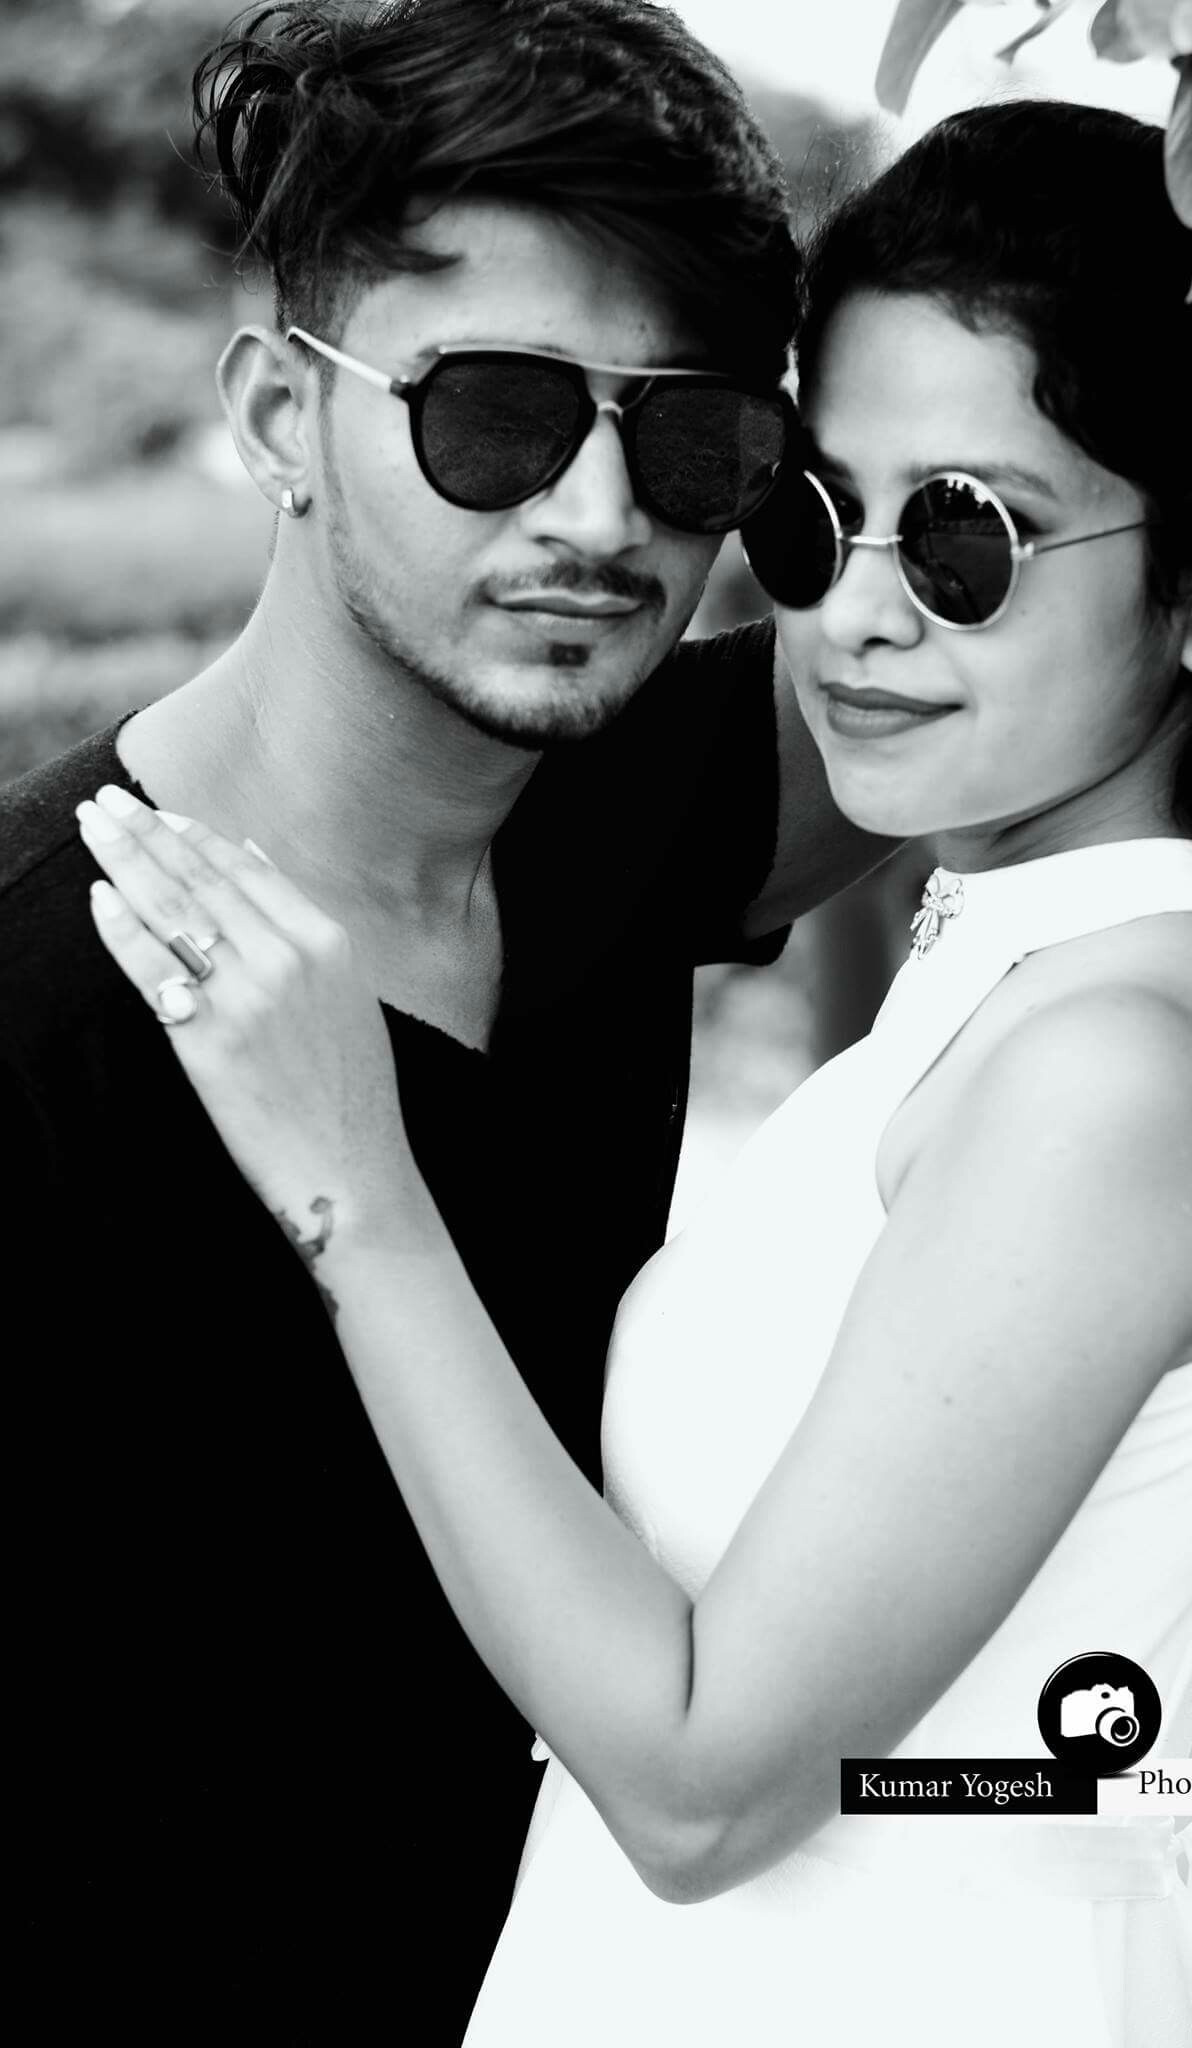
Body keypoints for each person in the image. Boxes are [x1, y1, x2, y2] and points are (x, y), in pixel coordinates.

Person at [76, 96, 1192, 2045]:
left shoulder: (1121, 1071)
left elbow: (705, 1786)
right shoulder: (1017, 962)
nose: (858, 614)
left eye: (969, 536)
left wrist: (356, 1186)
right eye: (810, 516)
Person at [3, 2, 887, 2034]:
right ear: (275, 415)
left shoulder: (621, 816)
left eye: (695, 439)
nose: (596, 517)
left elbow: (1080, 624)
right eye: (496, 414)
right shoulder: (35, 1006)